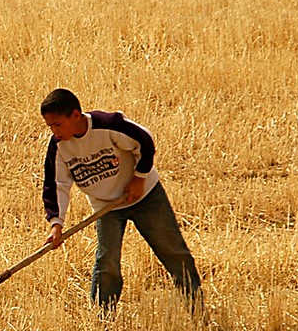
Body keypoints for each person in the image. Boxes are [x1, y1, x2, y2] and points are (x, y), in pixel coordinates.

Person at [40, 87, 202, 312]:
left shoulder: (109, 125)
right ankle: (102, 318)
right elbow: (57, 185)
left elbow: (145, 141)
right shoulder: (58, 146)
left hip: (146, 197)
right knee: (107, 263)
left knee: (172, 250)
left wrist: (139, 177)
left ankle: (195, 307)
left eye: (58, 124)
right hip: (107, 207)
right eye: (50, 126)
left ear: (75, 116)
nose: (54, 131)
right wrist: (56, 224)